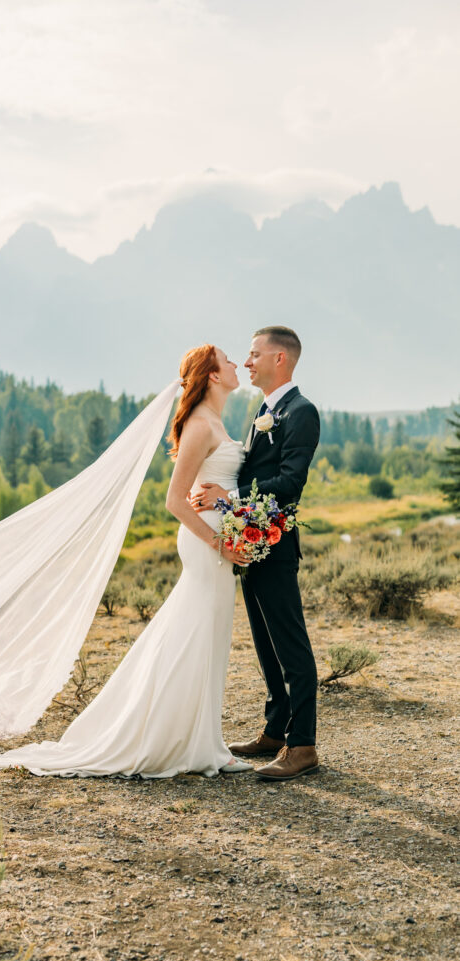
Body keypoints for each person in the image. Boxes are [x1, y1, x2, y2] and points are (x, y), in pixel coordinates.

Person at [0, 344, 252, 777]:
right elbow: (174, 500)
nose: (236, 363)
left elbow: (217, 486)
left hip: (217, 540)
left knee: (208, 637)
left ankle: (205, 741)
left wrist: (233, 512)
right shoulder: (202, 426)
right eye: (227, 359)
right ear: (213, 375)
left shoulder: (215, 420)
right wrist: (218, 543)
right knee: (197, 635)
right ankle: (186, 744)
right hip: (206, 546)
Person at [191, 326, 321, 781]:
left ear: (279, 359)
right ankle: (274, 730)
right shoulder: (262, 412)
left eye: (253, 354)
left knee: (290, 644)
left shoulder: (301, 412)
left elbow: (289, 483)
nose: (247, 362)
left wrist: (228, 496)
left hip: (277, 545)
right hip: (252, 543)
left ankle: (302, 744)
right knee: (266, 646)